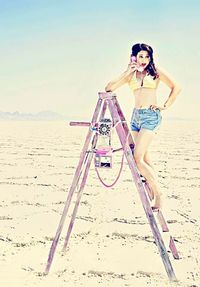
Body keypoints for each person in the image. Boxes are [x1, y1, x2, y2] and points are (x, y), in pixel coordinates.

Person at [105, 43, 181, 209]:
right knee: (145, 158)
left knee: (137, 158)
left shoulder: (155, 72)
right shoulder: (130, 76)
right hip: (136, 118)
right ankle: (153, 192)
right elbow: (109, 88)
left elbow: (176, 87)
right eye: (141, 56)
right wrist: (127, 71)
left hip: (150, 117)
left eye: (147, 56)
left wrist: (165, 105)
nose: (144, 60)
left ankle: (159, 194)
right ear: (134, 57)